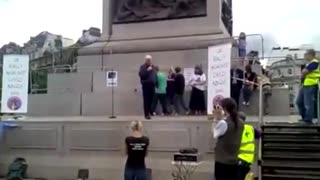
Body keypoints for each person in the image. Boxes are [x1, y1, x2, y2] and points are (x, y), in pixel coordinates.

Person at [212, 98, 243, 180]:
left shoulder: (224, 123)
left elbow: (214, 134)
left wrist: (216, 119)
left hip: (222, 162)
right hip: (234, 160)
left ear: (224, 109)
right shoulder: (240, 122)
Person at [296, 49, 320, 124]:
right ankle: (304, 117)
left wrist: (303, 73)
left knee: (308, 103)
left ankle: (308, 120)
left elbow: (304, 72)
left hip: (311, 84)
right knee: (299, 102)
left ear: (310, 55)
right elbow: (303, 73)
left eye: (306, 54)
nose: (304, 56)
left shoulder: (315, 63)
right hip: (305, 84)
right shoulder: (308, 63)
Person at [237, 112, 261, 180]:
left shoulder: (236, 129)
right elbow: (259, 134)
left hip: (239, 158)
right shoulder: (250, 128)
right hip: (248, 160)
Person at [139, 55, 156, 119]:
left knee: (151, 100)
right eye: (148, 60)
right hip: (146, 86)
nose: (149, 61)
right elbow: (141, 75)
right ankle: (146, 114)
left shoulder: (153, 66)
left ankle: (149, 112)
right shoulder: (142, 67)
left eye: (150, 59)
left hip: (152, 86)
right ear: (145, 60)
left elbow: (154, 74)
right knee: (146, 100)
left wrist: (156, 83)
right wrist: (147, 70)